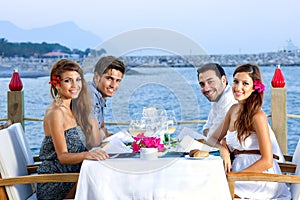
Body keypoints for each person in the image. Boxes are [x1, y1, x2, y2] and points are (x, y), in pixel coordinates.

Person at [207, 63, 291, 199]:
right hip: (238, 172)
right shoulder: (233, 110)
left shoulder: (258, 117)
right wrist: (223, 150)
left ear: (254, 87)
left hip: (259, 177)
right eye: (235, 81)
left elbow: (267, 161)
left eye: (245, 83)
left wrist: (236, 177)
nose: (238, 87)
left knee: (212, 192)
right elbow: (212, 138)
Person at [37, 59, 109, 199]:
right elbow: (62, 157)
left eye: (78, 80)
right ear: (57, 84)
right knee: (103, 184)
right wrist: (86, 155)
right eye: (68, 80)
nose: (75, 85)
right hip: (57, 182)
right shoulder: (56, 112)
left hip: (74, 174)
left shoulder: (72, 108)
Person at [88, 55, 126, 137]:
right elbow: (93, 139)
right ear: (96, 77)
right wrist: (103, 132)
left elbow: (100, 129)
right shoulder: (89, 96)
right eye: (109, 78)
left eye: (118, 81)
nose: (113, 85)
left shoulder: (99, 96)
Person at [197, 63, 237, 138]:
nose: (206, 88)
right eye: (202, 84)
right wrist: (210, 131)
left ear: (223, 80)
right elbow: (206, 128)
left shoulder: (228, 98)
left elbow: (214, 135)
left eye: (210, 82)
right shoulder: (218, 98)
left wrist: (210, 132)